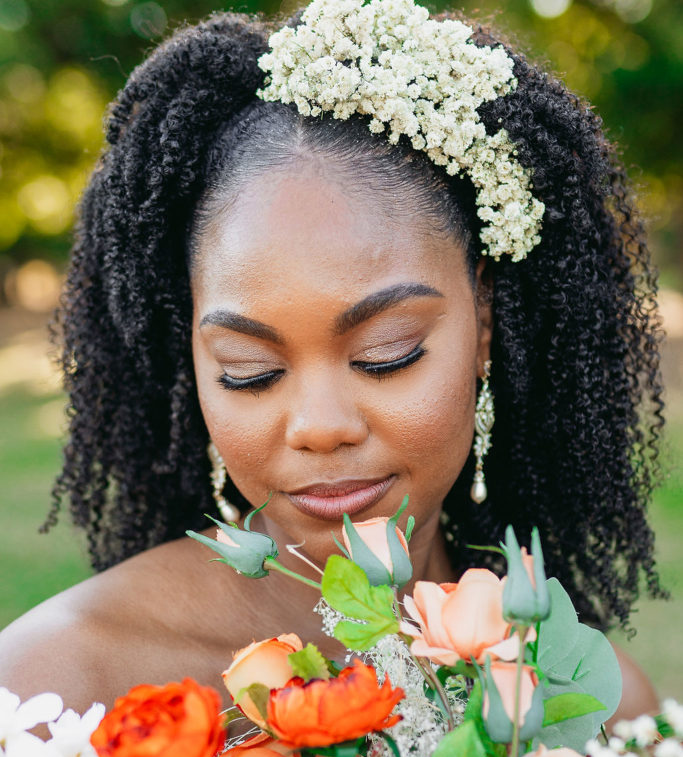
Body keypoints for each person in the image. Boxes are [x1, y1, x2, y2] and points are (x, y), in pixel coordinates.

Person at [0, 0, 662, 720]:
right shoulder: (55, 692)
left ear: (484, 323)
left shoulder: (595, 710)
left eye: (387, 356)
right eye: (247, 370)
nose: (319, 427)